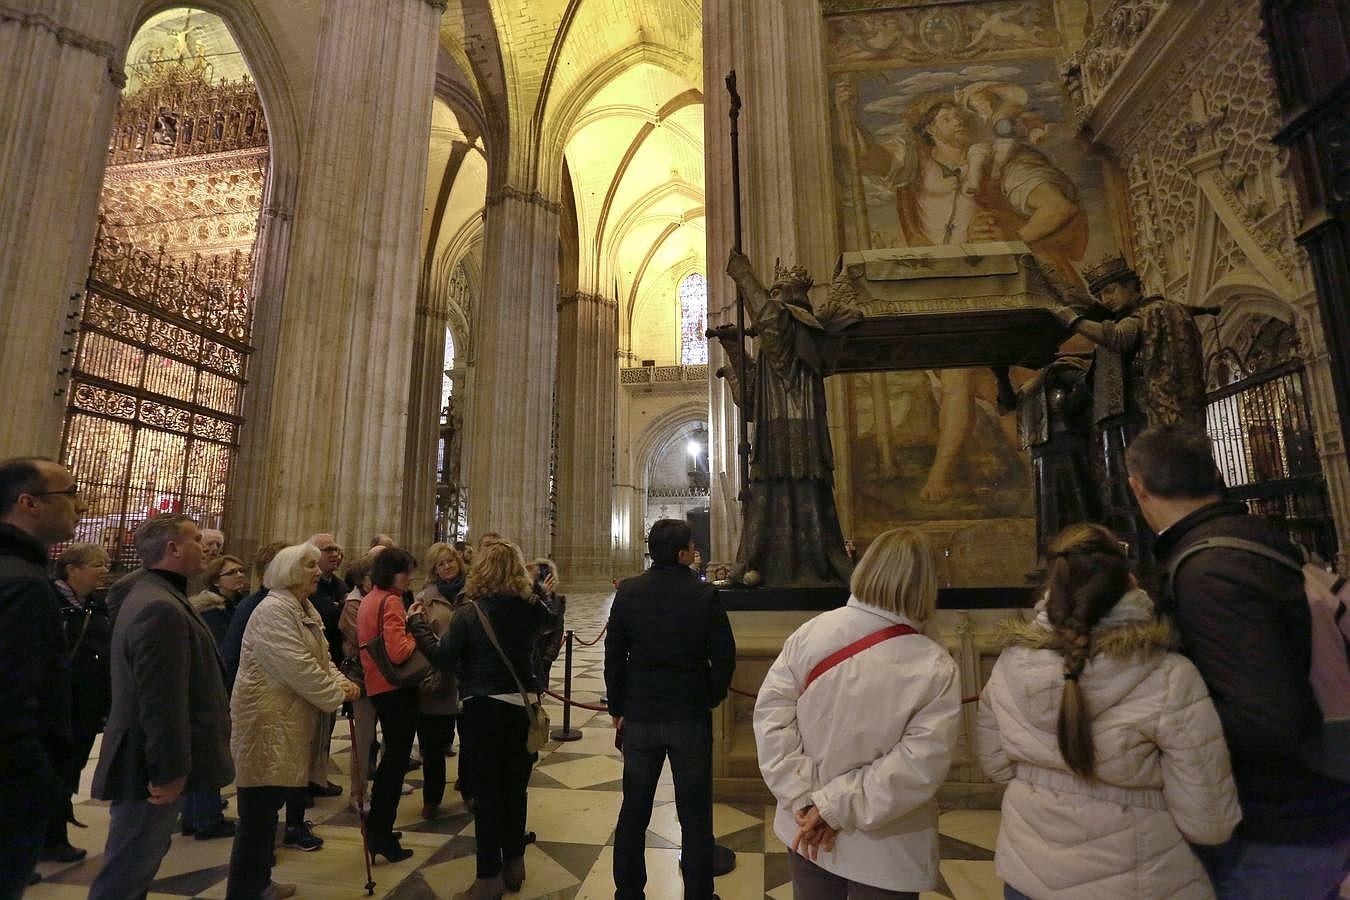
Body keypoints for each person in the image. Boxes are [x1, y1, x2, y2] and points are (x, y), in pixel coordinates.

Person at [835, 82, 1086, 504]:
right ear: (930, 129)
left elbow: (1056, 208)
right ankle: (970, 475)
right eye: (948, 116)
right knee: (967, 378)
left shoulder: (992, 163)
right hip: (951, 285)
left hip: (997, 283)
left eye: (961, 114)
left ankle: (1035, 477)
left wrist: (1008, 239)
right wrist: (849, 113)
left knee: (1009, 383)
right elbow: (869, 158)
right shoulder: (916, 163)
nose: (960, 120)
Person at [1126, 424, 1350, 897]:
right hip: (1297, 808)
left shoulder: (1211, 571)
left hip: (1273, 820)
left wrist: (1161, 725)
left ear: (1138, 488)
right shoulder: (1247, 538)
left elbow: (1266, 716)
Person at [976, 522, 1241, 899]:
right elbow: (1208, 822)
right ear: (1129, 581)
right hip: (1137, 880)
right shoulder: (1167, 676)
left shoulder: (1011, 664)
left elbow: (997, 765)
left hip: (1027, 877)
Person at [754, 527, 959, 898]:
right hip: (885, 846)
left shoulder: (813, 632)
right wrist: (829, 809)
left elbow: (770, 720)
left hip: (806, 830)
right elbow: (917, 765)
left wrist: (804, 800)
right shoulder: (934, 664)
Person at [89, 514, 233, 900]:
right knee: (129, 868)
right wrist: (169, 770)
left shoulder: (152, 593)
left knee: (139, 859)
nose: (205, 546)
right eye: (196, 538)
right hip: (148, 767)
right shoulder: (160, 606)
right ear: (172, 548)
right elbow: (160, 699)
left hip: (146, 760)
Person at [417, 539, 562, 899]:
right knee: (515, 788)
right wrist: (539, 590)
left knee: (487, 793)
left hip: (484, 709)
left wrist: (417, 626)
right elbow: (551, 619)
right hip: (522, 707)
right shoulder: (530, 609)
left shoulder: (469, 611)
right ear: (517, 569)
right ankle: (515, 862)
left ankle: (488, 877)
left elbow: (443, 656)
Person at [606, 518, 736, 900]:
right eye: (692, 546)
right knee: (695, 814)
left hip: (641, 715)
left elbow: (613, 655)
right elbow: (724, 656)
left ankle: (628, 893)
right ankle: (699, 893)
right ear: (681, 553)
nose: (695, 551)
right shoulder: (704, 595)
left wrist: (618, 707)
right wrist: (709, 696)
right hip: (689, 716)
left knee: (634, 811)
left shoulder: (629, 591)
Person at [713, 251, 861, 586]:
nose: (771, 299)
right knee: (766, 500)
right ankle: (753, 561)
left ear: (792, 300)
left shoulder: (792, 329)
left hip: (793, 437)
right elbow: (752, 401)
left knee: (790, 495)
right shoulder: (781, 339)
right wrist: (733, 350)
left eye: (777, 293)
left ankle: (792, 566)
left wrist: (743, 272)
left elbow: (768, 318)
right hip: (776, 434)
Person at [1055, 256, 1205, 579]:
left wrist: (1069, 318)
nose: (1106, 299)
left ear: (1133, 286)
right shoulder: (1124, 317)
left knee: (1139, 503)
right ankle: (1134, 567)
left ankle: (1154, 569)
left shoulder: (1148, 313)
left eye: (1111, 290)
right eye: (1101, 294)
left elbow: (1119, 336)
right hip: (1114, 424)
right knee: (1119, 502)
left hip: (1136, 422)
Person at [226, 542, 360, 898]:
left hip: (286, 721)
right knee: (257, 814)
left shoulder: (302, 606)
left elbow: (321, 656)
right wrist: (335, 694)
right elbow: (296, 666)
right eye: (310, 566)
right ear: (288, 571)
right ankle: (244, 890)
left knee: (268, 811)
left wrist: (341, 682)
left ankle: (259, 882)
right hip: (265, 723)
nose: (318, 572)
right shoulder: (273, 611)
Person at [0, 458, 83, 894]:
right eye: (69, 493)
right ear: (28, 503)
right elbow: (12, 696)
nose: (81, 505)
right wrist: (40, 782)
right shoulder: (23, 583)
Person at [43, 542, 112, 864]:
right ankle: (46, 838)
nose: (104, 570)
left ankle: (53, 835)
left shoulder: (98, 604)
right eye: (97, 564)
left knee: (71, 768)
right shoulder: (46, 600)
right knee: (48, 770)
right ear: (72, 569)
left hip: (87, 703)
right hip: (53, 703)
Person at [356, 547, 423, 863]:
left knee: (390, 761)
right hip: (396, 689)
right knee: (394, 765)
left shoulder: (370, 598)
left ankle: (379, 826)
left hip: (377, 684)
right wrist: (417, 632)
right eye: (405, 571)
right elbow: (398, 652)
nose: (410, 577)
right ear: (391, 573)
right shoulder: (392, 601)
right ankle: (380, 831)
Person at [180, 554, 248, 841]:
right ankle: (206, 819)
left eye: (241, 570)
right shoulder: (211, 611)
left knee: (207, 753)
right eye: (232, 572)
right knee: (208, 753)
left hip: (217, 687)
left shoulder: (231, 607)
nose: (240, 575)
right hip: (212, 688)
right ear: (216, 580)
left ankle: (197, 817)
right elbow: (222, 651)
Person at [411, 542, 466, 816]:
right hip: (438, 677)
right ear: (433, 570)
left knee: (471, 740)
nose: (446, 567)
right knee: (433, 744)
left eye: (450, 562)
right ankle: (432, 798)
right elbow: (417, 635)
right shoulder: (424, 598)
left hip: (468, 676)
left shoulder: (473, 593)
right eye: (440, 564)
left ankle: (470, 791)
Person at [305, 533, 348, 798]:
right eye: (327, 549)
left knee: (326, 727)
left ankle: (317, 776)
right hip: (314, 667)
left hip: (331, 660)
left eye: (336, 548)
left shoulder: (337, 583)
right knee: (309, 732)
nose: (335, 554)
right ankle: (304, 784)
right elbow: (333, 615)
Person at [339, 551, 380, 813]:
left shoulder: (383, 599)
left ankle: (381, 785)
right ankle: (358, 792)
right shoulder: (352, 604)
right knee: (362, 739)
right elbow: (366, 638)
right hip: (363, 678)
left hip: (385, 677)